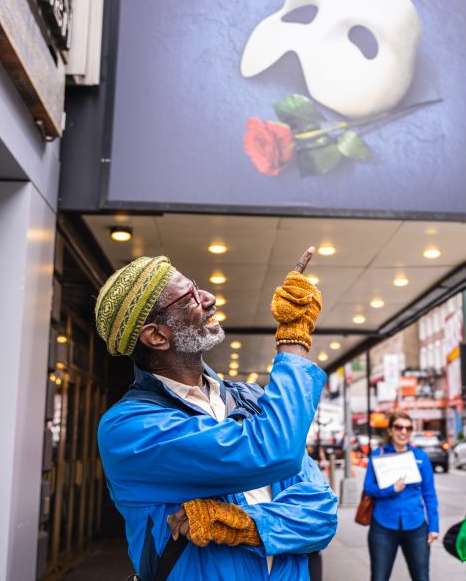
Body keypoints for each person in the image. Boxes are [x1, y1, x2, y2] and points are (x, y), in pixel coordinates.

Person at [96, 248, 337, 581]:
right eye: (190, 298)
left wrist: (244, 525)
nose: (208, 297)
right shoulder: (129, 429)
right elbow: (274, 451)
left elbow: (322, 514)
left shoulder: (251, 398)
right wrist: (294, 338)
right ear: (156, 336)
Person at [363, 411, 440, 581]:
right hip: (383, 525)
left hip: (416, 525)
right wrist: (391, 489)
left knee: (421, 577)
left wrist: (434, 526)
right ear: (390, 430)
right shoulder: (378, 455)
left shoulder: (420, 457)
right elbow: (368, 488)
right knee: (379, 577)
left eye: (408, 428)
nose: (403, 431)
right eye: (399, 427)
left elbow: (429, 494)